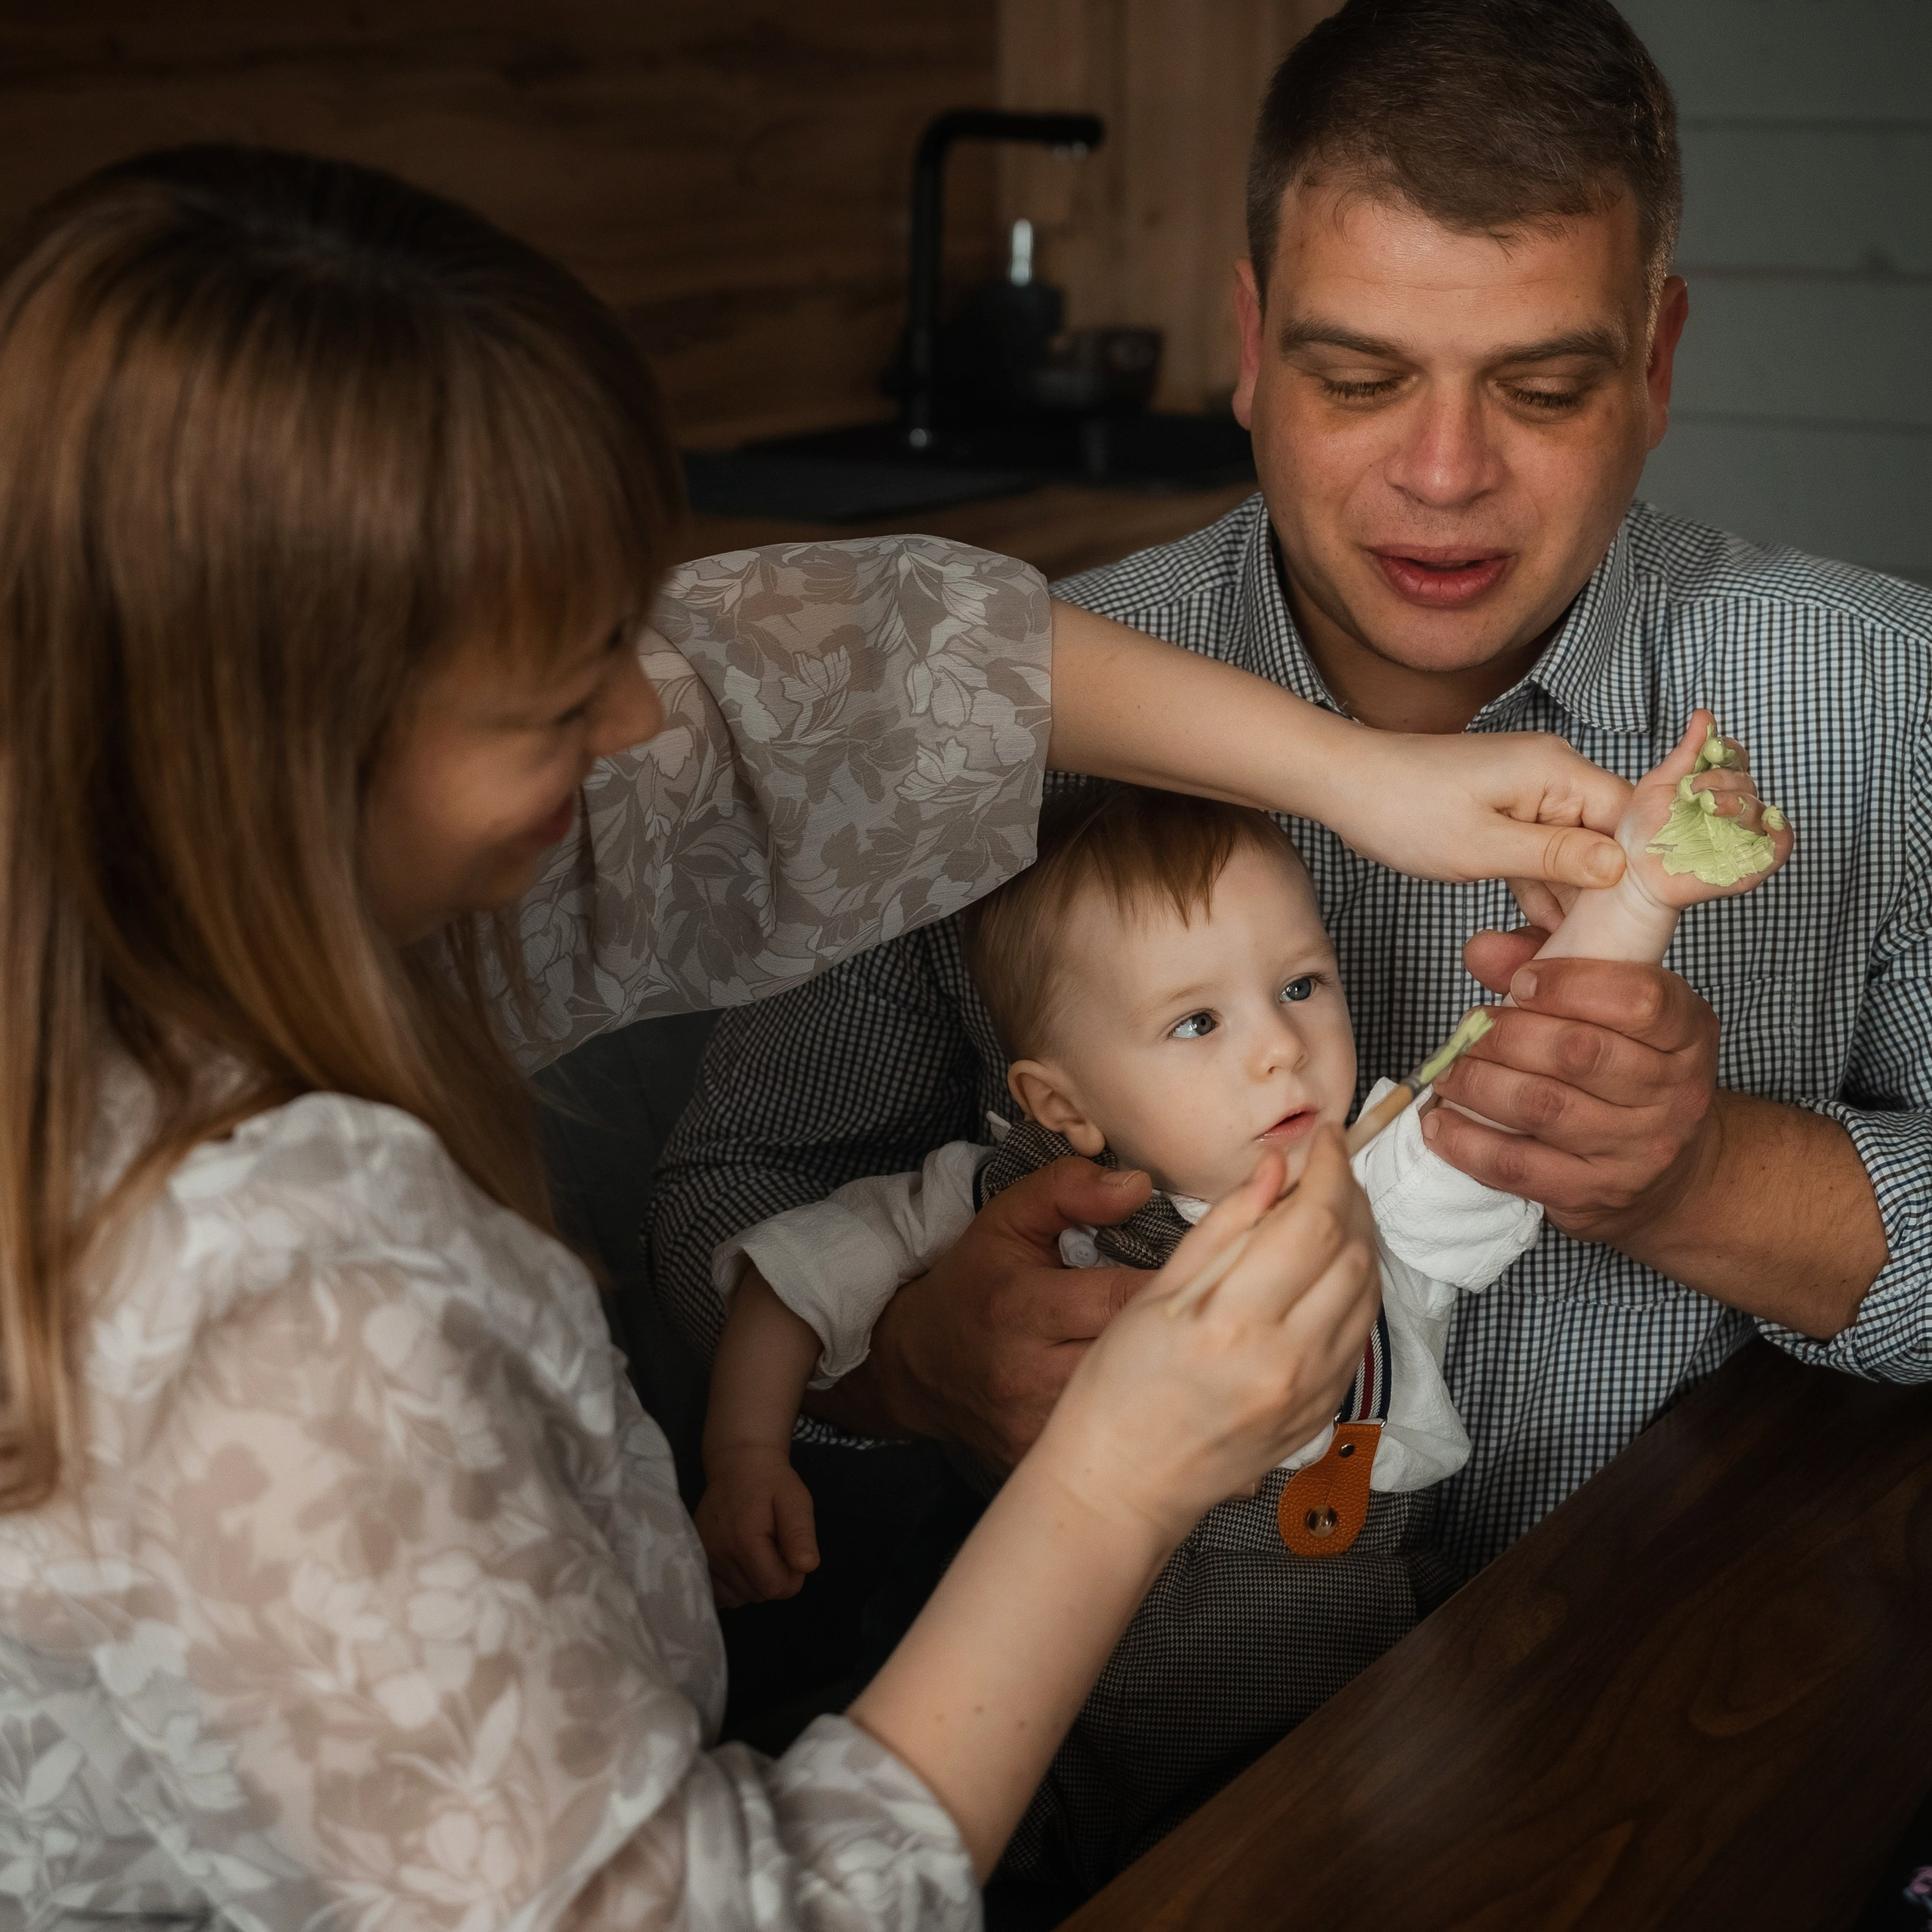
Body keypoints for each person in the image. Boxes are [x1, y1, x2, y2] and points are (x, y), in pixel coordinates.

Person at [0, 146, 1636, 1924]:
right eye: (551, 699)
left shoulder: (169, 885)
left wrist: (1356, 777)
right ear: (281, 753)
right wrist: (1115, 1475)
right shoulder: (281, 1304)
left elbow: (812, 684)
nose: (636, 719)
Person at [651, 0, 1932, 1795]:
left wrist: (1705, 1174)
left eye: (1540, 388)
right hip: (1121, 1790)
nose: (1440, 475)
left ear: (1653, 361)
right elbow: (737, 1191)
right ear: (1249, 344)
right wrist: (907, 1368)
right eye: (1356, 378)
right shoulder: (994, 726)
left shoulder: (1881, 700)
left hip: (1687, 1725)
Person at [690, 722, 1791, 1881]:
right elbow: (793, 1276)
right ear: (1061, 1105)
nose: (1279, 1049)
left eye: (1300, 985)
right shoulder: (989, 1201)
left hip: (1337, 1680)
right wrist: (745, 1453)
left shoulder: (1375, 1185)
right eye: (1197, 1021)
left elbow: (1539, 1070)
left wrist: (1640, 895)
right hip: (1044, 1701)